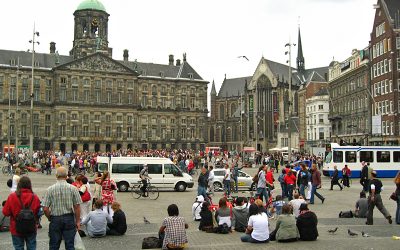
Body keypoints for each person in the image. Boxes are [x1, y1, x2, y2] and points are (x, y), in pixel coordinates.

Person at [42, 167, 82, 250]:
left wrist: (50, 217)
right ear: (67, 176)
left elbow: (45, 208)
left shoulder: (50, 189)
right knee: (70, 244)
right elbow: (77, 207)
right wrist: (78, 221)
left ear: (56, 175)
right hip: (69, 218)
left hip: (55, 218)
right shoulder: (73, 188)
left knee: (54, 245)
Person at [2, 176, 41, 249]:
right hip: (31, 226)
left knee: (18, 247)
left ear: (19, 184)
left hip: (16, 227)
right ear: (30, 185)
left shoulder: (12, 196)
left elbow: (5, 212)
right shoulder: (34, 197)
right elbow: (38, 212)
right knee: (31, 247)